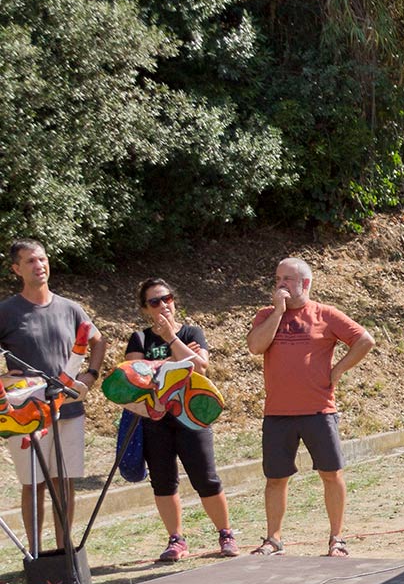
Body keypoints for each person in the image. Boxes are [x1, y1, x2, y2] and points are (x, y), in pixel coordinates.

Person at [244, 257, 373, 557]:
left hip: (319, 411)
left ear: (306, 284)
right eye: (278, 278)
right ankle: (273, 539)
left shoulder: (325, 315)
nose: (280, 284)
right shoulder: (265, 315)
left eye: (287, 279)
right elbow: (255, 346)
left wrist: (338, 370)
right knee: (276, 478)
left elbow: (365, 340)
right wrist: (278, 311)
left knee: (331, 473)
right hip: (277, 413)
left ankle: (336, 538)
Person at [0, 239, 107, 553]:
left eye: (43, 259)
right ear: (16, 269)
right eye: (31, 261)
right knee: (33, 484)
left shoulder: (70, 308)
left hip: (67, 409)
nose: (39, 266)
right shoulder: (7, 311)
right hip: (24, 414)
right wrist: (3, 379)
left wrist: (91, 375)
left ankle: (64, 554)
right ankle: (35, 557)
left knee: (64, 481)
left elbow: (97, 340)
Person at [126, 278, 238, 561]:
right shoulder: (139, 339)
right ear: (144, 309)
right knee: (163, 481)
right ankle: (176, 540)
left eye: (168, 299)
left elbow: (199, 367)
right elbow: (135, 380)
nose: (163, 305)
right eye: (155, 302)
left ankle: (226, 534)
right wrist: (173, 363)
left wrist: (171, 340)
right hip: (155, 419)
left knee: (206, 478)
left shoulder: (191, 332)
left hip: (191, 416)